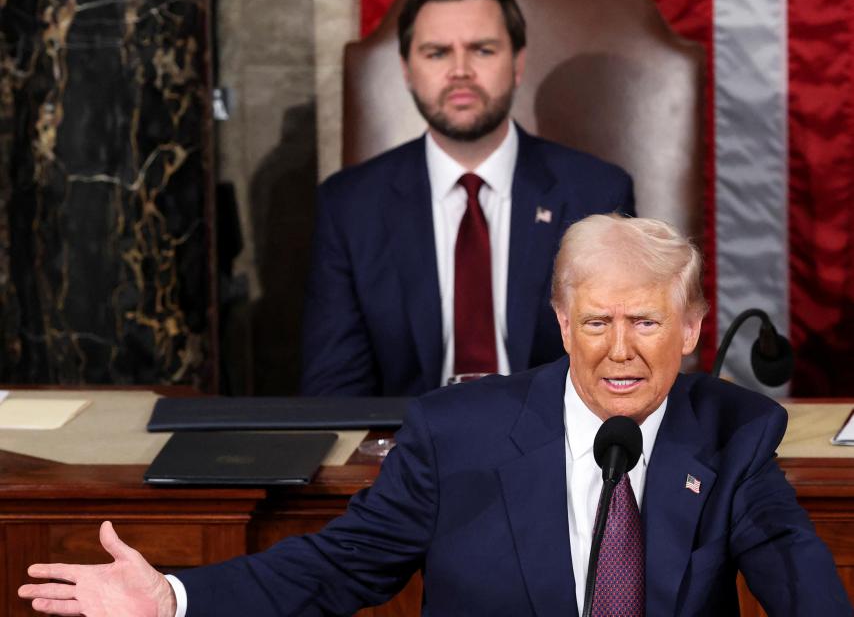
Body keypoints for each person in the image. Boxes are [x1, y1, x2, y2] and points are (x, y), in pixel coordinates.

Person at [19, 214, 850, 616]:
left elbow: (801, 581)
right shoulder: (458, 434)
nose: (620, 350)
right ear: (563, 324)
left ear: (694, 329)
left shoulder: (733, 433)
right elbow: (336, 566)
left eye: (647, 322)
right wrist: (171, 599)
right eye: (597, 322)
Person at [301, 0, 635, 396]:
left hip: (554, 445)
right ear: (407, 70)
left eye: (482, 50)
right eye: (437, 52)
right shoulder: (350, 205)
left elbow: (618, 367)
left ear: (517, 64)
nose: (460, 70)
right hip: (406, 447)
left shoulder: (596, 194)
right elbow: (334, 392)